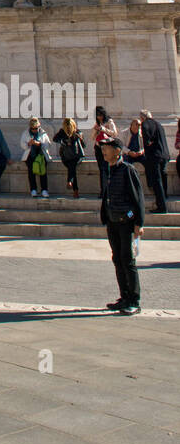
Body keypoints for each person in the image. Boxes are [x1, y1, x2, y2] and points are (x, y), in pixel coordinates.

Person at [98, 135, 145, 314]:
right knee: (117, 259)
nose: (104, 150)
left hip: (125, 222)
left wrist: (137, 221)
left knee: (128, 260)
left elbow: (137, 199)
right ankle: (124, 296)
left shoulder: (127, 170)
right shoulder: (108, 169)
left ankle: (134, 300)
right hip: (112, 221)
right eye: (103, 148)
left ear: (117, 151)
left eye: (107, 148)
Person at [140, 110, 169, 214]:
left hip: (154, 156)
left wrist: (148, 145)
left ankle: (161, 206)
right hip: (164, 154)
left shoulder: (145, 124)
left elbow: (146, 141)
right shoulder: (159, 124)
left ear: (142, 118)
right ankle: (164, 199)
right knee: (162, 178)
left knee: (157, 181)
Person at [53, 117, 86, 198]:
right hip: (74, 157)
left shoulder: (75, 133)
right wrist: (64, 141)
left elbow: (55, 139)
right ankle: (75, 190)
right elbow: (84, 146)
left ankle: (72, 185)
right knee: (72, 166)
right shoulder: (72, 132)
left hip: (69, 157)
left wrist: (65, 141)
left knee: (71, 166)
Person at [21, 119, 51, 197]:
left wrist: (40, 144)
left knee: (43, 172)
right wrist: (29, 143)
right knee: (31, 172)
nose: (34, 130)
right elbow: (22, 145)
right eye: (33, 128)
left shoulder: (43, 133)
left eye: (36, 128)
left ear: (39, 127)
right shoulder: (26, 133)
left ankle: (44, 190)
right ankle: (33, 189)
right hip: (30, 155)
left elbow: (48, 144)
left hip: (41, 155)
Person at [93, 107, 120, 188]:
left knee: (107, 168)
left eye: (100, 115)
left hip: (108, 147)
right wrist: (96, 130)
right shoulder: (97, 123)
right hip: (98, 147)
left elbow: (114, 134)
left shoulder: (109, 122)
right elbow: (92, 137)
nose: (99, 117)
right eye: (97, 115)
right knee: (101, 169)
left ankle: (109, 189)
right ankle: (103, 190)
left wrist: (104, 129)